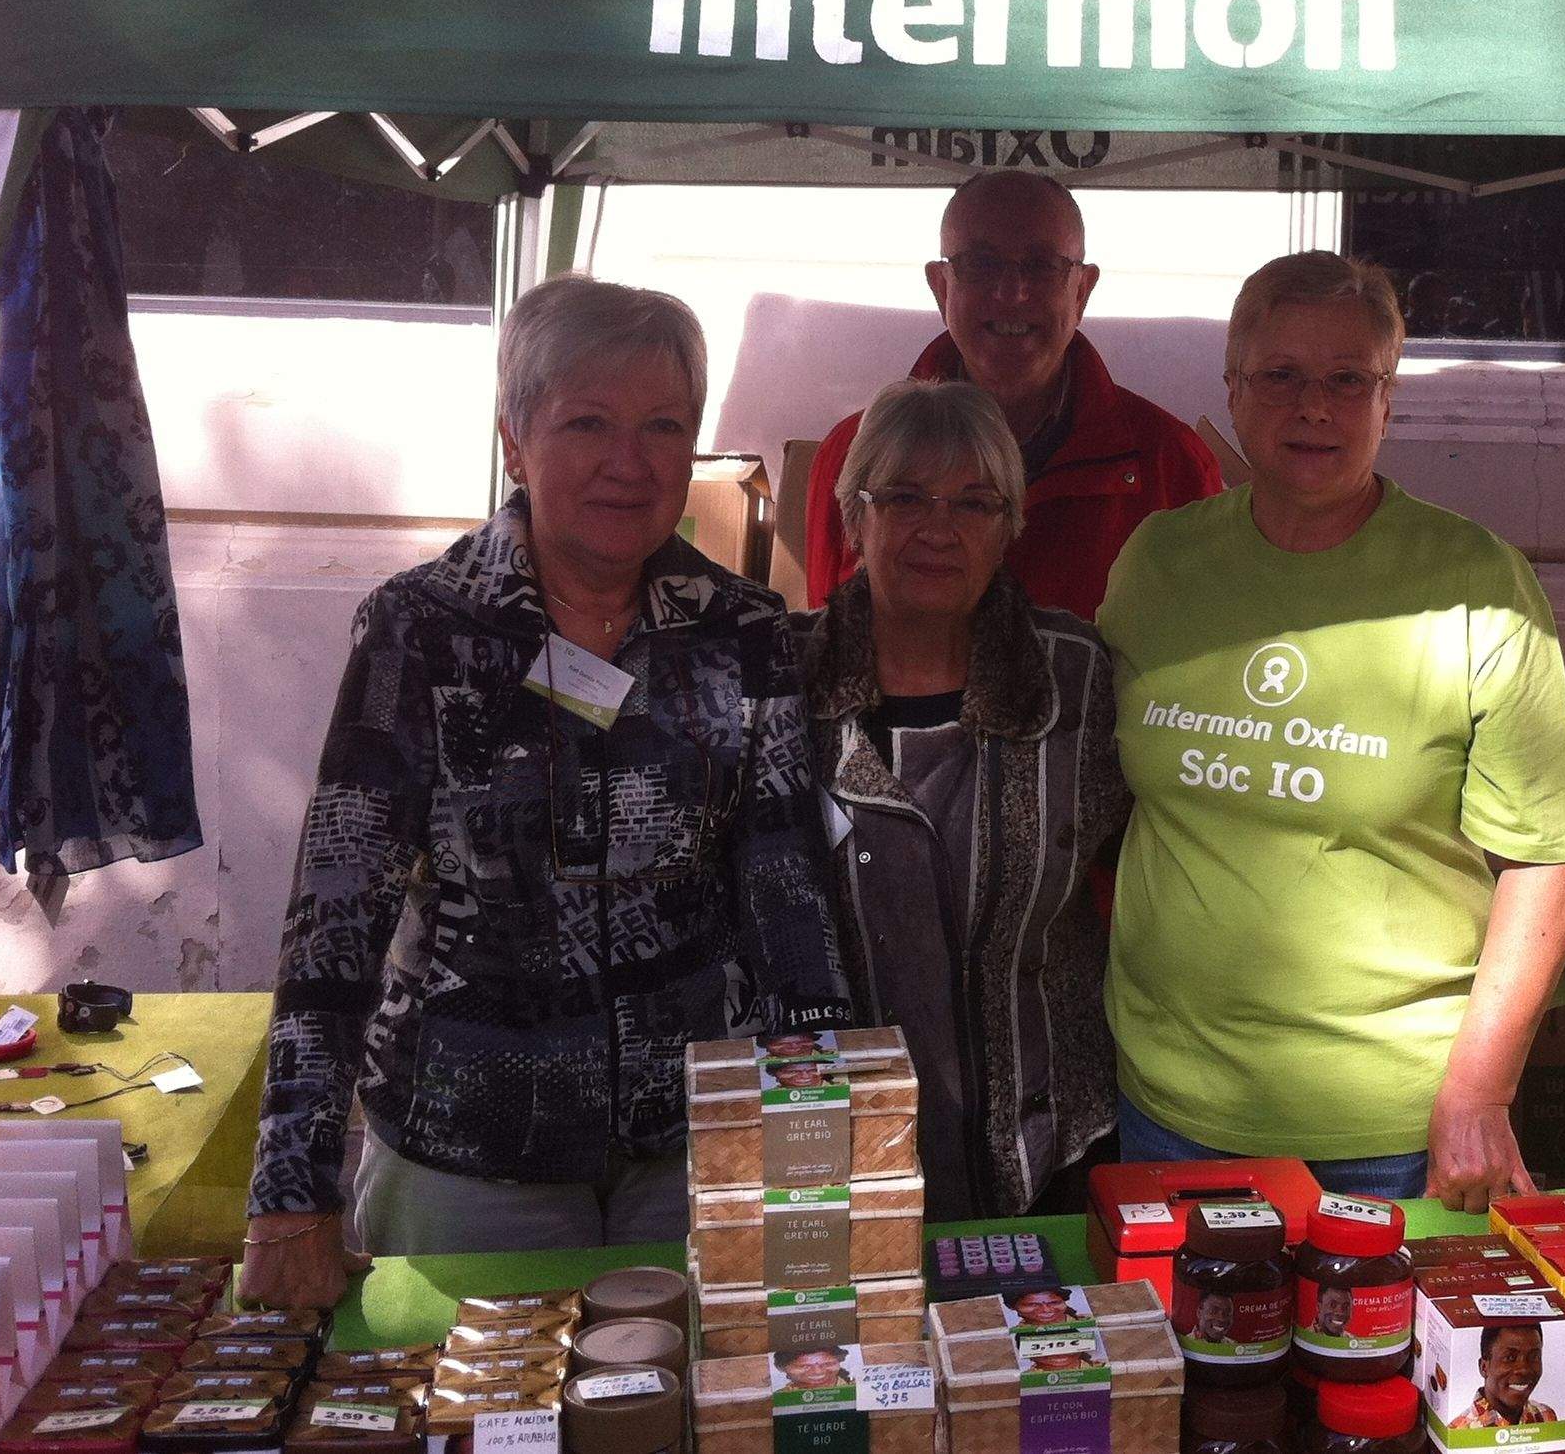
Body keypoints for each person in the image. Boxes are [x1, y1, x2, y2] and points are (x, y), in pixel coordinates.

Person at [238, 275, 849, 1308]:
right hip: (464, 1159)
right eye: (587, 423)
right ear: (515, 441)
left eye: (663, 425)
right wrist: (290, 1192)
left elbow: (787, 898)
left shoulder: (742, 630)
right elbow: (335, 915)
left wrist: (813, 1138)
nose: (629, 461)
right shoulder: (422, 629)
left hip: (692, 1150)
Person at [1099, 252, 1565, 1209]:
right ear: (1232, 389)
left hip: (1389, 1129)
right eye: (1279, 376)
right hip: (1168, 1102)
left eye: (1346, 379)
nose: (1312, 408)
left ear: (1387, 398)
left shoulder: (1474, 585)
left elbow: (1548, 860)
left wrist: (1479, 1091)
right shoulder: (1158, 563)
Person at [792, 378, 1130, 1223]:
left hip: (1055, 1152)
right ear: (853, 516)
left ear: (1010, 525)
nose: (938, 530)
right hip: (837, 1159)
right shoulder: (782, 686)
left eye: (974, 503)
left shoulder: (1077, 679)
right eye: (905, 497)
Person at [804, 171, 1222, 619]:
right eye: (981, 264)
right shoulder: (851, 457)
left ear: (1081, 291)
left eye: (1041, 265)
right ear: (941, 287)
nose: (1011, 292)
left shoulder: (1171, 464)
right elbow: (830, 642)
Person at [1448, 1324, 1558, 1428]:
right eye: (1510, 1358)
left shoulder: (1546, 1417)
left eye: (1534, 1357)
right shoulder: (1459, 1433)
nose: (1524, 1370)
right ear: (1484, 1367)